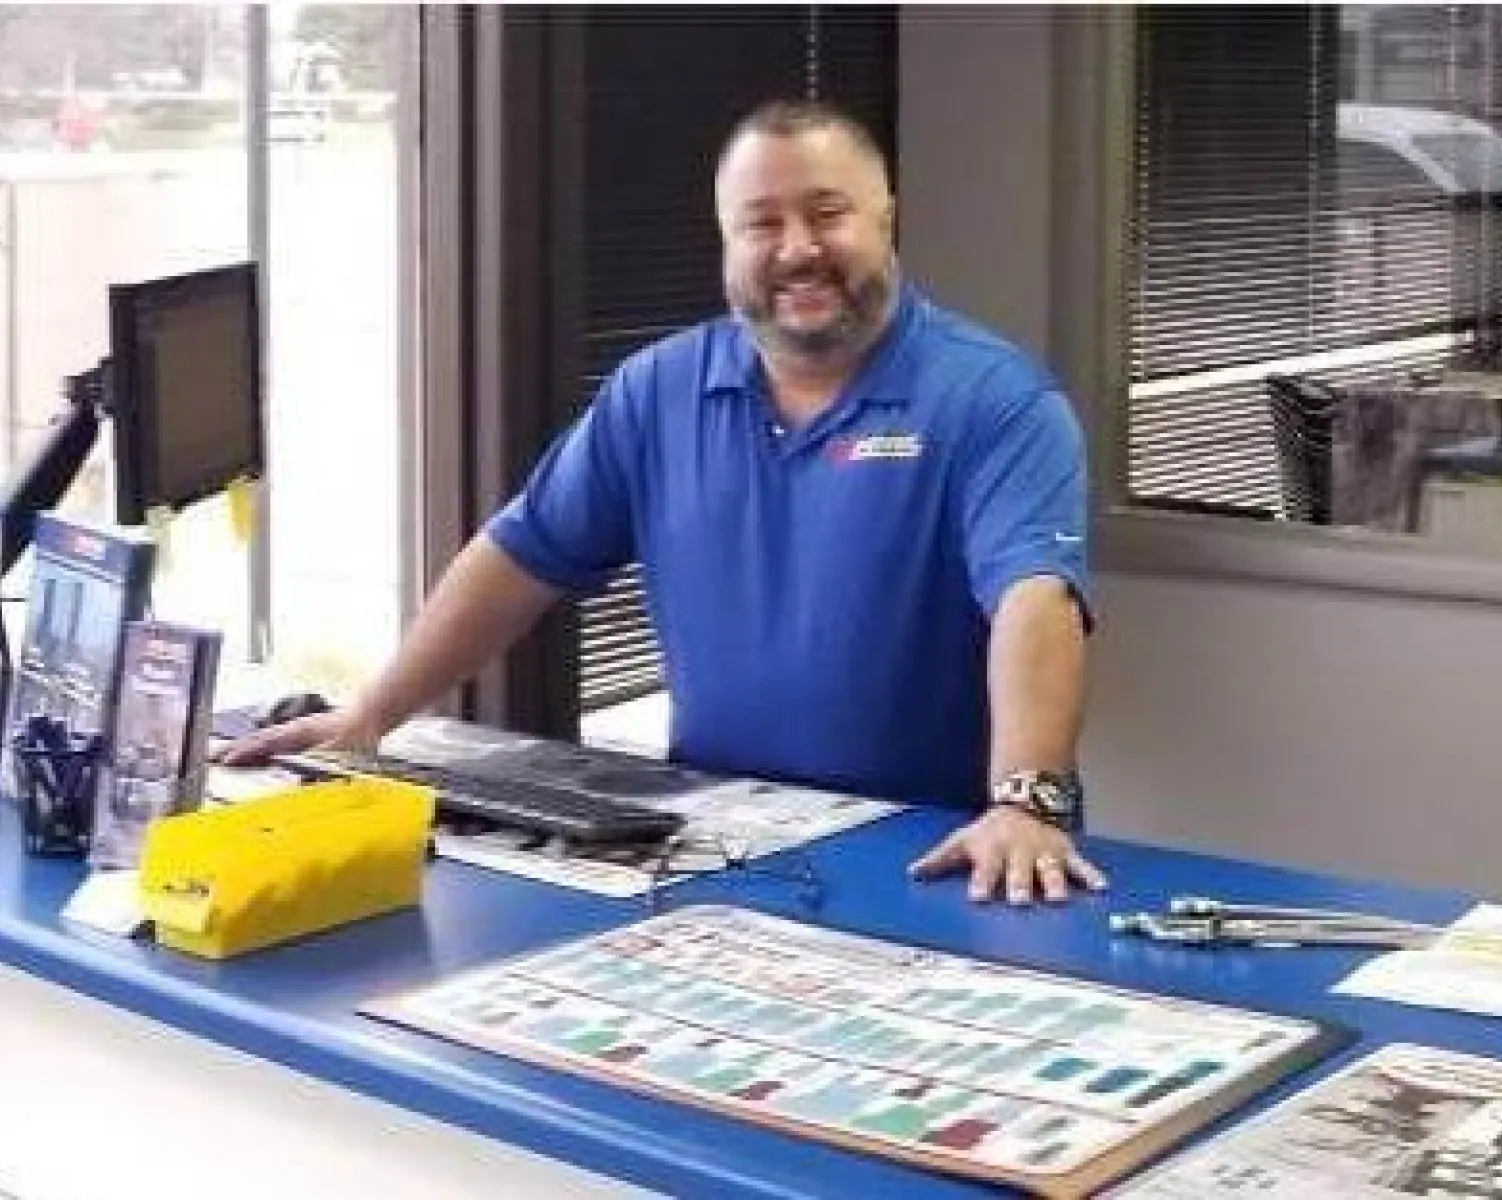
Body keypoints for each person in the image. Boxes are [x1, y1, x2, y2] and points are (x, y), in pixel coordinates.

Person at [223, 98, 1103, 906]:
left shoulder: (996, 402)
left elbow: (1037, 601)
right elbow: (521, 554)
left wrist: (1026, 803)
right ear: (726, 241)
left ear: (885, 217)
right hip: (721, 846)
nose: (797, 247)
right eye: (762, 223)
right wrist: (372, 716)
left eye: (827, 213)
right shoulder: (658, 391)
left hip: (931, 854)